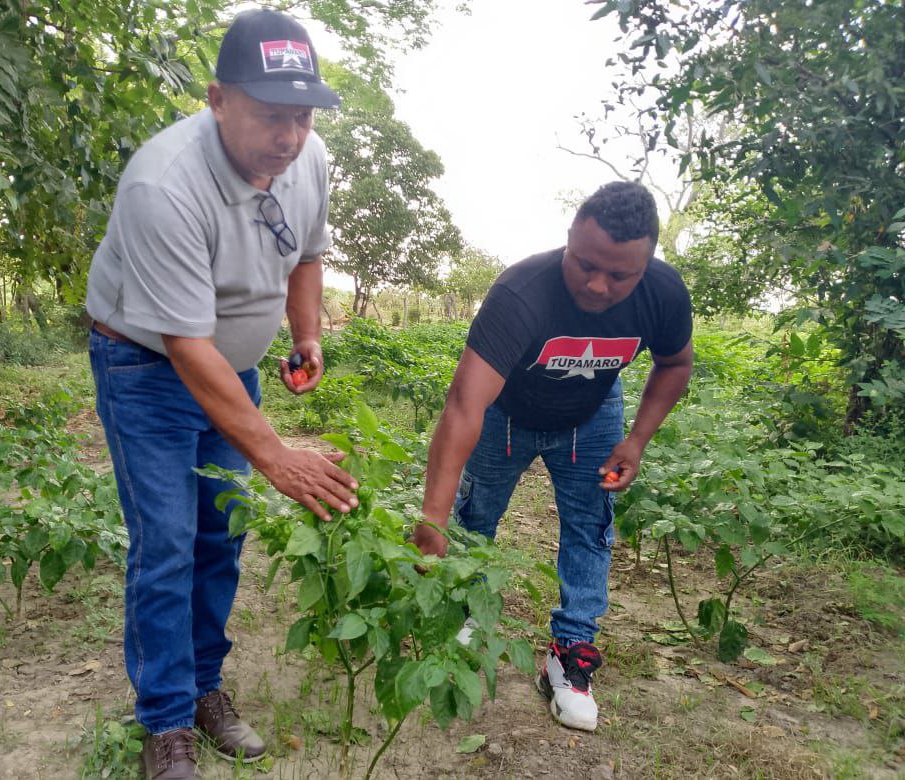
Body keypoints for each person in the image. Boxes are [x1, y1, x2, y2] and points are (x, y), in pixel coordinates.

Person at [85, 9, 358, 779]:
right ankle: (166, 722)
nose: (289, 136)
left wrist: (306, 337)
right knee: (167, 543)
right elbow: (183, 344)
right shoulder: (162, 185)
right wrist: (276, 455)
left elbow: (306, 252)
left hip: (232, 369)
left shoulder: (310, 158)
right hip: (146, 367)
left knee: (221, 536)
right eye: (271, 116)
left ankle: (206, 687)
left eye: (302, 116)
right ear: (217, 98)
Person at [413, 181, 693, 733]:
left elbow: (675, 364)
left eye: (620, 275)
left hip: (592, 419)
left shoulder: (663, 293)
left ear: (647, 264)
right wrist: (431, 520)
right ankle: (464, 612)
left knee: (590, 527)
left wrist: (634, 440)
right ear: (568, 239)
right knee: (476, 519)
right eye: (585, 264)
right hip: (505, 416)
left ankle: (570, 653)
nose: (597, 284)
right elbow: (466, 404)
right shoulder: (523, 292)